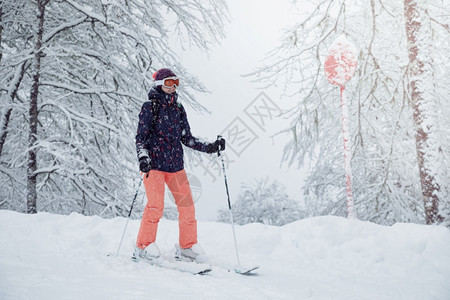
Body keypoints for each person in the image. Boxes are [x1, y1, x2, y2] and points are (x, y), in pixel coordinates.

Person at [133, 68, 225, 263]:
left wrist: (210, 147)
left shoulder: (178, 108)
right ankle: (143, 246)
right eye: (169, 83)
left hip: (175, 166)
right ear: (159, 84)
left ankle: (187, 247)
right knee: (155, 206)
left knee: (187, 207)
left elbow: (187, 139)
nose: (173, 86)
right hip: (154, 166)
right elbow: (141, 138)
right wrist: (143, 156)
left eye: (176, 82)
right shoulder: (150, 107)